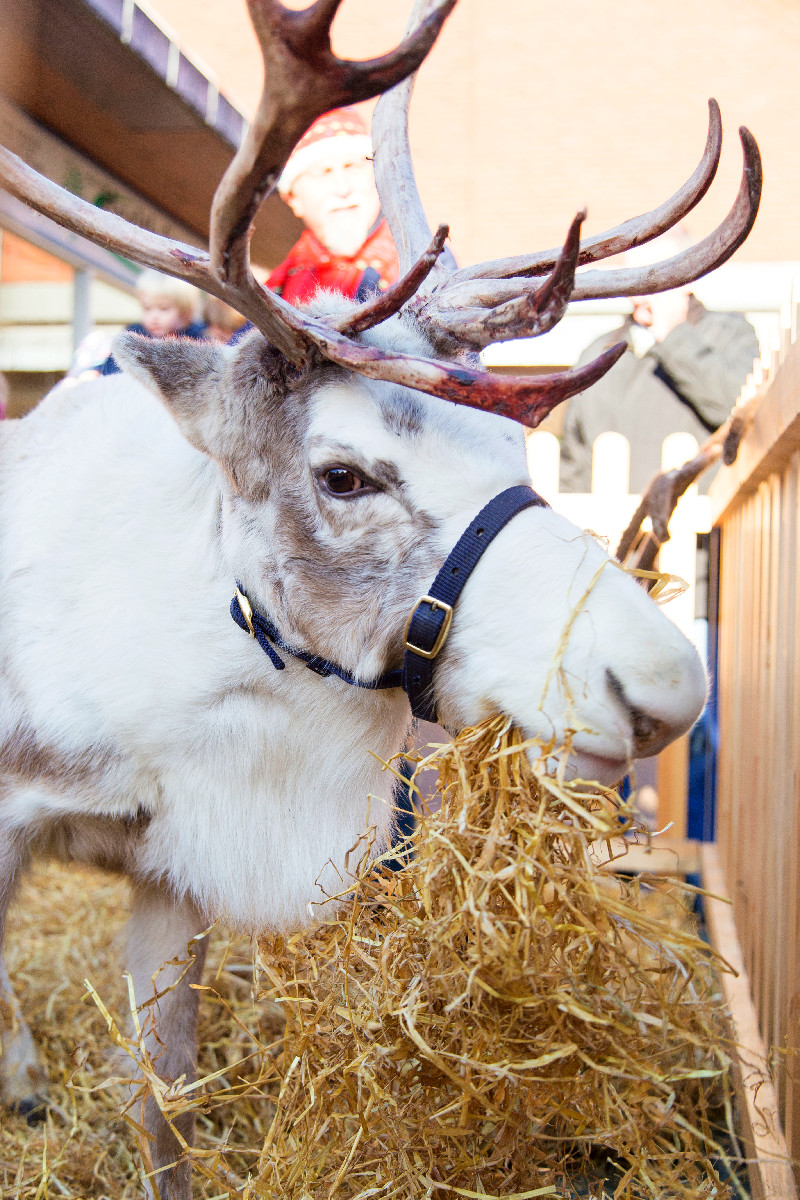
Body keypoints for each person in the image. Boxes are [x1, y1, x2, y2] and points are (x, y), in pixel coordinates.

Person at [559, 231, 760, 495]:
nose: (639, 291)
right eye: (632, 278)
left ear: (689, 276)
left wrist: (674, 336)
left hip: (702, 526)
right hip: (611, 525)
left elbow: (739, 413)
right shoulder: (598, 354)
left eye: (653, 275)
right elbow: (574, 462)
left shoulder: (728, 335)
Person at [268, 107, 399, 305]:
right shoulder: (280, 285)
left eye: (353, 167)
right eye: (323, 173)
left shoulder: (426, 265)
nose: (342, 188)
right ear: (293, 199)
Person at [98, 269, 206, 375]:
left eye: (164, 308)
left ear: (186, 311)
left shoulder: (198, 338)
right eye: (147, 308)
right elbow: (112, 368)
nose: (154, 317)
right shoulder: (135, 333)